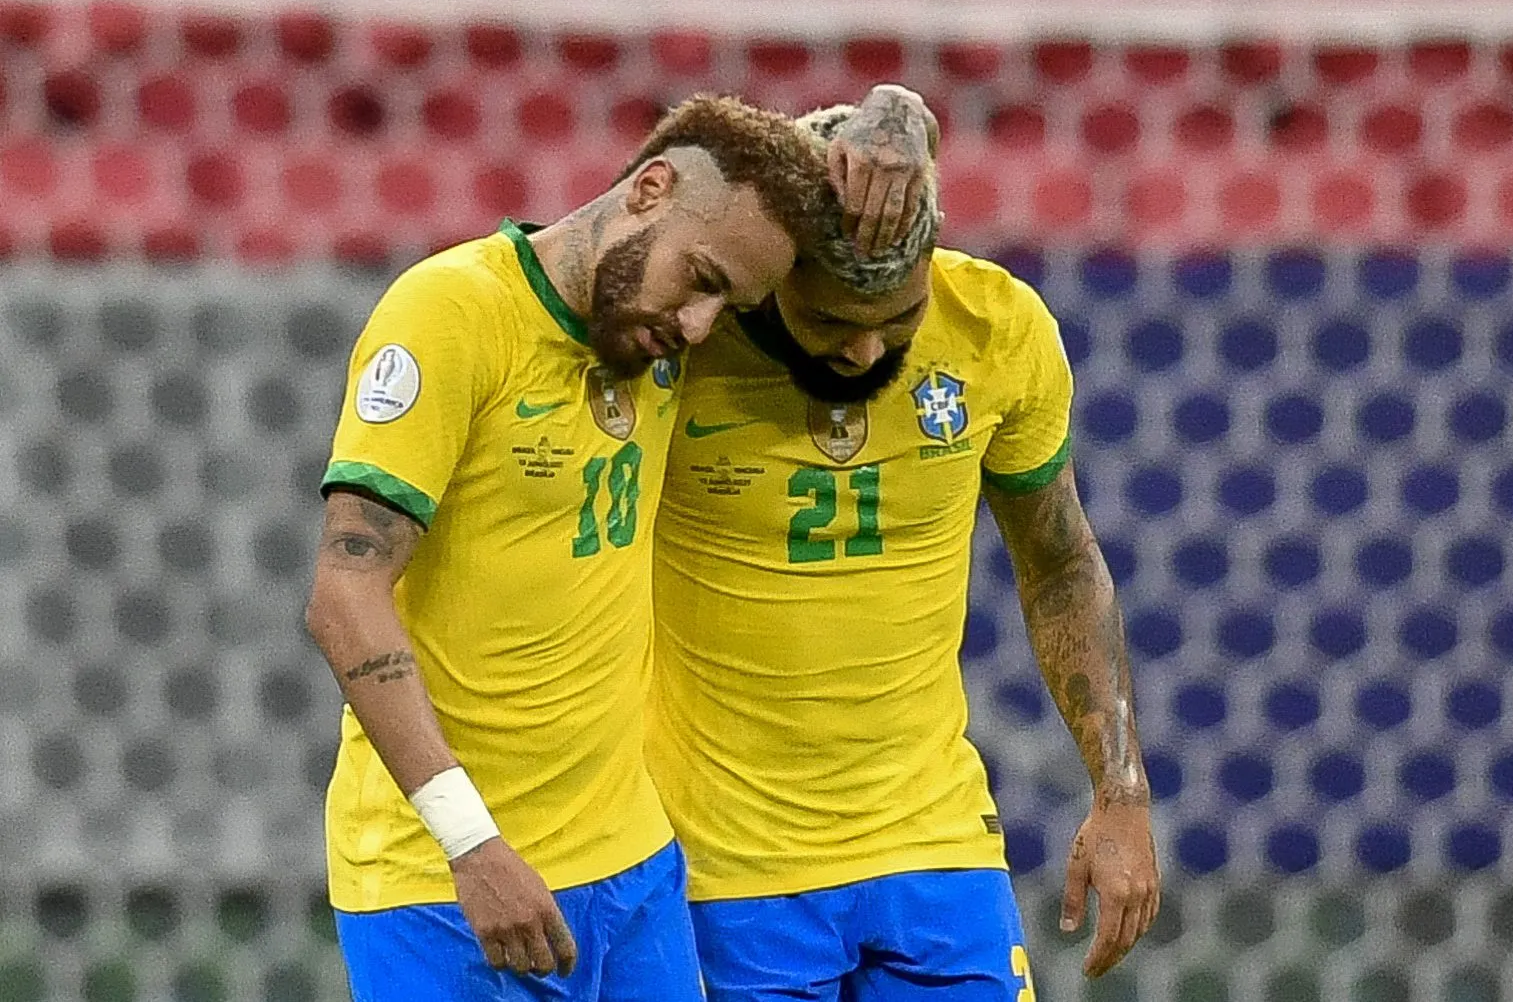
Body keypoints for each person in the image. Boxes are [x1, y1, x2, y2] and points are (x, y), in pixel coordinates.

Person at [305, 93, 849, 1001]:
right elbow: (342, 596)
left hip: (633, 872)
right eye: (700, 277)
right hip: (445, 885)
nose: (701, 326)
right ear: (649, 188)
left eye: (731, 303)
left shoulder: (652, 342)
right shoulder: (451, 312)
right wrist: (470, 843)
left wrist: (895, 120)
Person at [643, 100, 1160, 1001]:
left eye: (900, 315)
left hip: (936, 845)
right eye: (834, 321)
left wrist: (1120, 790)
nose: (869, 347)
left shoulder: (998, 329)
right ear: (775, 273)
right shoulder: (686, 342)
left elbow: (1060, 562)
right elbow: (623, 222)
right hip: (723, 867)